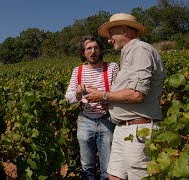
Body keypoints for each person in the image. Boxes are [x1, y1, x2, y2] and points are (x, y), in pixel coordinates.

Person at [85, 13, 167, 180]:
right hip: (124, 129)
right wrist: (105, 100)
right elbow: (127, 94)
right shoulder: (128, 54)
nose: (109, 40)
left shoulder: (141, 50)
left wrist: (103, 95)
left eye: (111, 35)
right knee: (114, 176)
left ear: (124, 30)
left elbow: (137, 95)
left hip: (139, 130)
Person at [65, 35, 119, 179]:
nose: (93, 51)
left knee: (108, 167)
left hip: (106, 119)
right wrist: (77, 93)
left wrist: (102, 96)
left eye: (96, 48)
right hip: (85, 121)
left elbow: (119, 93)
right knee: (87, 166)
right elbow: (68, 98)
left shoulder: (112, 67)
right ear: (83, 53)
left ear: (101, 50)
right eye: (89, 48)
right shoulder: (78, 71)